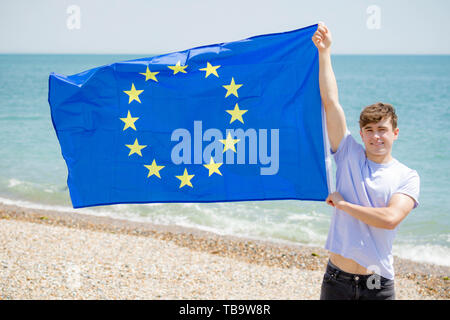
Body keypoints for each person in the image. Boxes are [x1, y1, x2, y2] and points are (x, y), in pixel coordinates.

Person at [312, 23, 420, 300]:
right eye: (369, 130)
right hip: (336, 278)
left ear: (395, 133)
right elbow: (331, 102)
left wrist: (344, 204)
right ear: (361, 134)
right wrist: (325, 52)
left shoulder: (407, 176)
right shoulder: (348, 153)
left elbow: (390, 219)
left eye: (382, 130)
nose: (376, 136)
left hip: (377, 283)